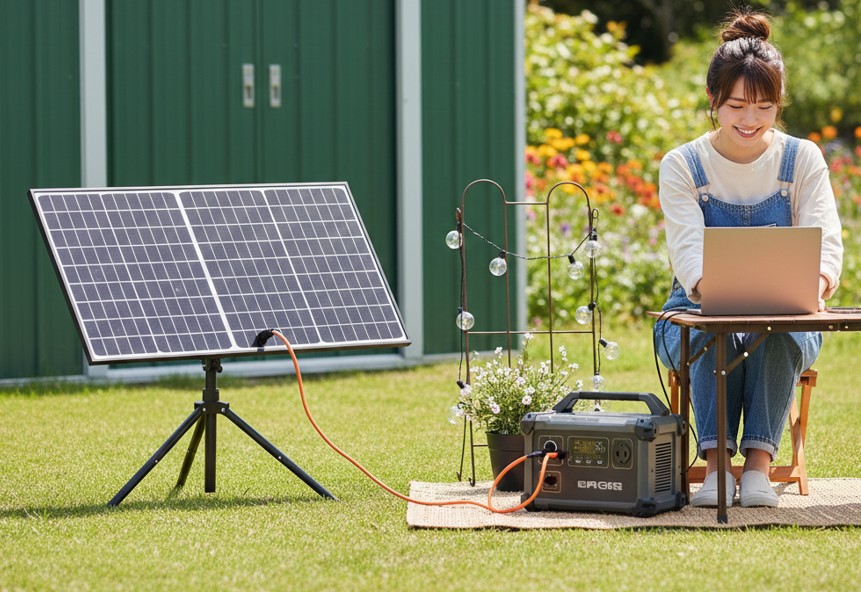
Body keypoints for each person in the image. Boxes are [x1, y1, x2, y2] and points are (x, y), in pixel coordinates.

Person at [654, 6, 843, 508]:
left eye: (763, 107)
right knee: (714, 333)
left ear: (778, 106)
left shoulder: (801, 158)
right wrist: (720, 300)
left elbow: (827, 243)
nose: (749, 120)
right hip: (695, 310)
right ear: (715, 100)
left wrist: (816, 286)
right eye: (737, 106)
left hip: (786, 311)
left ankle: (758, 466)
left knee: (775, 329)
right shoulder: (683, 165)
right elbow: (689, 258)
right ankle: (716, 467)